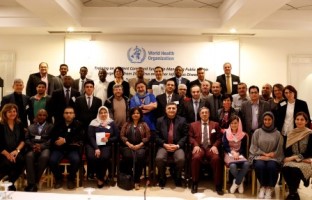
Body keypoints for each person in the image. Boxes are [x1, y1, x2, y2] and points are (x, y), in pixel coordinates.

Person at [189, 107, 223, 195]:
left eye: (206, 112)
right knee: (196, 158)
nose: (204, 114)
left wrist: (215, 145)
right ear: (199, 114)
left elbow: (219, 138)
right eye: (202, 113)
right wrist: (195, 145)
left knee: (216, 159)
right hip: (199, 147)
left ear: (209, 114)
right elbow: (190, 137)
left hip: (210, 147)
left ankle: (218, 184)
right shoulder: (193, 125)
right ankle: (195, 182)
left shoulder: (215, 124)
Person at [249, 112, 284, 199]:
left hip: (273, 157)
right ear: (263, 120)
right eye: (265, 119)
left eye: (269, 119)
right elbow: (253, 146)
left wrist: (272, 154)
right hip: (259, 156)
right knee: (260, 165)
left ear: (272, 120)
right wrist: (263, 154)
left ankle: (269, 188)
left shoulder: (277, 134)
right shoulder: (257, 132)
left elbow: (279, 149)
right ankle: (263, 186)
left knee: (271, 166)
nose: (267, 121)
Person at [49, 107, 84, 189]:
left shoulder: (79, 125)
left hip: (72, 149)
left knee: (76, 160)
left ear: (74, 115)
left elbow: (79, 137)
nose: (68, 114)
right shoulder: (58, 124)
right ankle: (58, 179)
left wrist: (65, 140)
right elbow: (53, 136)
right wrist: (63, 141)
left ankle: (71, 179)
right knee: (52, 160)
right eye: (66, 113)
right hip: (59, 149)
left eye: (71, 113)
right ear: (63, 115)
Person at [155, 103, 188, 188]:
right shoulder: (160, 120)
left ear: (176, 110)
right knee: (159, 158)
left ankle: (177, 176)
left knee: (181, 159)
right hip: (164, 146)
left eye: (173, 108)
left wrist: (177, 145)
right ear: (166, 110)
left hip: (177, 146)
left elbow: (185, 135)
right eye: (169, 108)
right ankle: (162, 177)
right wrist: (164, 144)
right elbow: (156, 135)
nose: (171, 110)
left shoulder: (182, 120)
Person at [86, 106, 119, 188]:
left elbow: (116, 136)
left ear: (107, 113)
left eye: (105, 112)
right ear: (98, 114)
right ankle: (100, 176)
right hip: (93, 145)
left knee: (104, 157)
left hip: (106, 145)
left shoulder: (111, 123)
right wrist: (96, 148)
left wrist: (109, 140)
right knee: (92, 157)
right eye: (101, 113)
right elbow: (91, 137)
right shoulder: (93, 122)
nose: (103, 114)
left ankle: (100, 178)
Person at [282, 112, 312, 200]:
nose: (299, 121)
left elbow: (309, 152)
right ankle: (294, 192)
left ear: (306, 121)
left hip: (305, 160)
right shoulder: (291, 133)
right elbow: (287, 151)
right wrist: (293, 158)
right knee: (285, 168)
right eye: (297, 119)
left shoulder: (310, 134)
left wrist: (296, 158)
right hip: (293, 160)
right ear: (294, 121)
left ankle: (292, 193)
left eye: (302, 120)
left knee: (295, 170)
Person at [120, 107, 150, 190]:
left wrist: (139, 145)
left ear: (140, 114)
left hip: (141, 146)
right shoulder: (127, 124)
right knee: (127, 156)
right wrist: (129, 144)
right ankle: (130, 178)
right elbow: (122, 136)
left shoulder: (144, 124)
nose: (135, 115)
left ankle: (137, 180)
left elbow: (148, 136)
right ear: (131, 114)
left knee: (139, 157)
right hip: (127, 146)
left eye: (137, 113)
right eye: (134, 113)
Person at [24, 109, 53, 192]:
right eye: (40, 115)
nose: (42, 117)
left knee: (44, 157)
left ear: (46, 117)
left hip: (45, 147)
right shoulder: (30, 127)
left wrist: (41, 146)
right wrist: (33, 146)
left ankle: (33, 182)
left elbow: (51, 139)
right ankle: (32, 184)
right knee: (28, 156)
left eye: (44, 115)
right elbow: (27, 139)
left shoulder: (51, 126)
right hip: (32, 147)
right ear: (37, 116)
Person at [0, 103, 25, 191]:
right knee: (7, 163)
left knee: (22, 161)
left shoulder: (19, 124)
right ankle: (7, 180)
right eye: (9, 111)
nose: (12, 113)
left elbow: (23, 140)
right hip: (3, 151)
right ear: (4, 113)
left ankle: (10, 181)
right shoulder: (1, 125)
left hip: (16, 150)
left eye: (14, 111)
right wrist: (7, 154)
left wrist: (16, 151)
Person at [222, 115, 250, 194]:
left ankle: (236, 182)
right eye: (232, 123)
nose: (233, 125)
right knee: (233, 166)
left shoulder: (243, 135)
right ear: (229, 124)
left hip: (239, 154)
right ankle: (240, 181)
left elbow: (244, 148)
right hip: (229, 154)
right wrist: (232, 152)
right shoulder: (226, 133)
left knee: (247, 164)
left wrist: (238, 153)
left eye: (235, 123)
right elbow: (225, 146)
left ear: (239, 123)